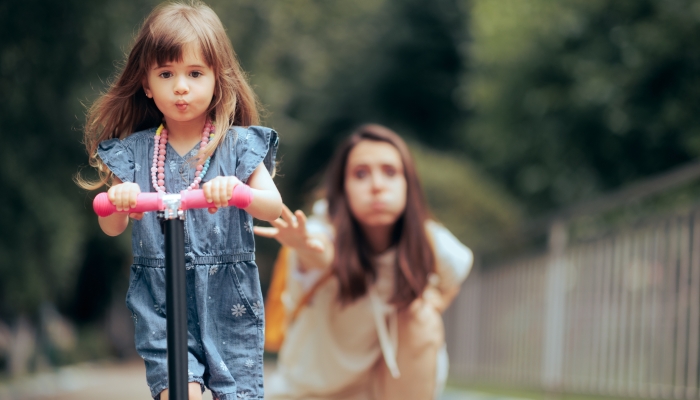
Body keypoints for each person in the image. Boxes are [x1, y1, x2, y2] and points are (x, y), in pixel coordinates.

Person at [77, 2, 282, 399]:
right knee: (177, 392)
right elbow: (111, 224)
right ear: (147, 84)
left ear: (217, 79)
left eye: (194, 73)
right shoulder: (134, 154)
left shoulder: (239, 146)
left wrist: (239, 192)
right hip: (160, 296)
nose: (181, 86)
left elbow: (272, 207)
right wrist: (120, 200)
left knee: (239, 392)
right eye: (166, 74)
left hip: (228, 293)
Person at [255, 124, 473, 400]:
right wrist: (303, 245)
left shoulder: (428, 240)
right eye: (361, 174)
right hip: (310, 392)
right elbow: (320, 253)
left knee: (422, 314)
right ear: (343, 188)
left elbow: (460, 266)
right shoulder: (324, 230)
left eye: (390, 172)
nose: (377, 186)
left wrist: (432, 304)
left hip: (381, 389)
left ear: (408, 184)